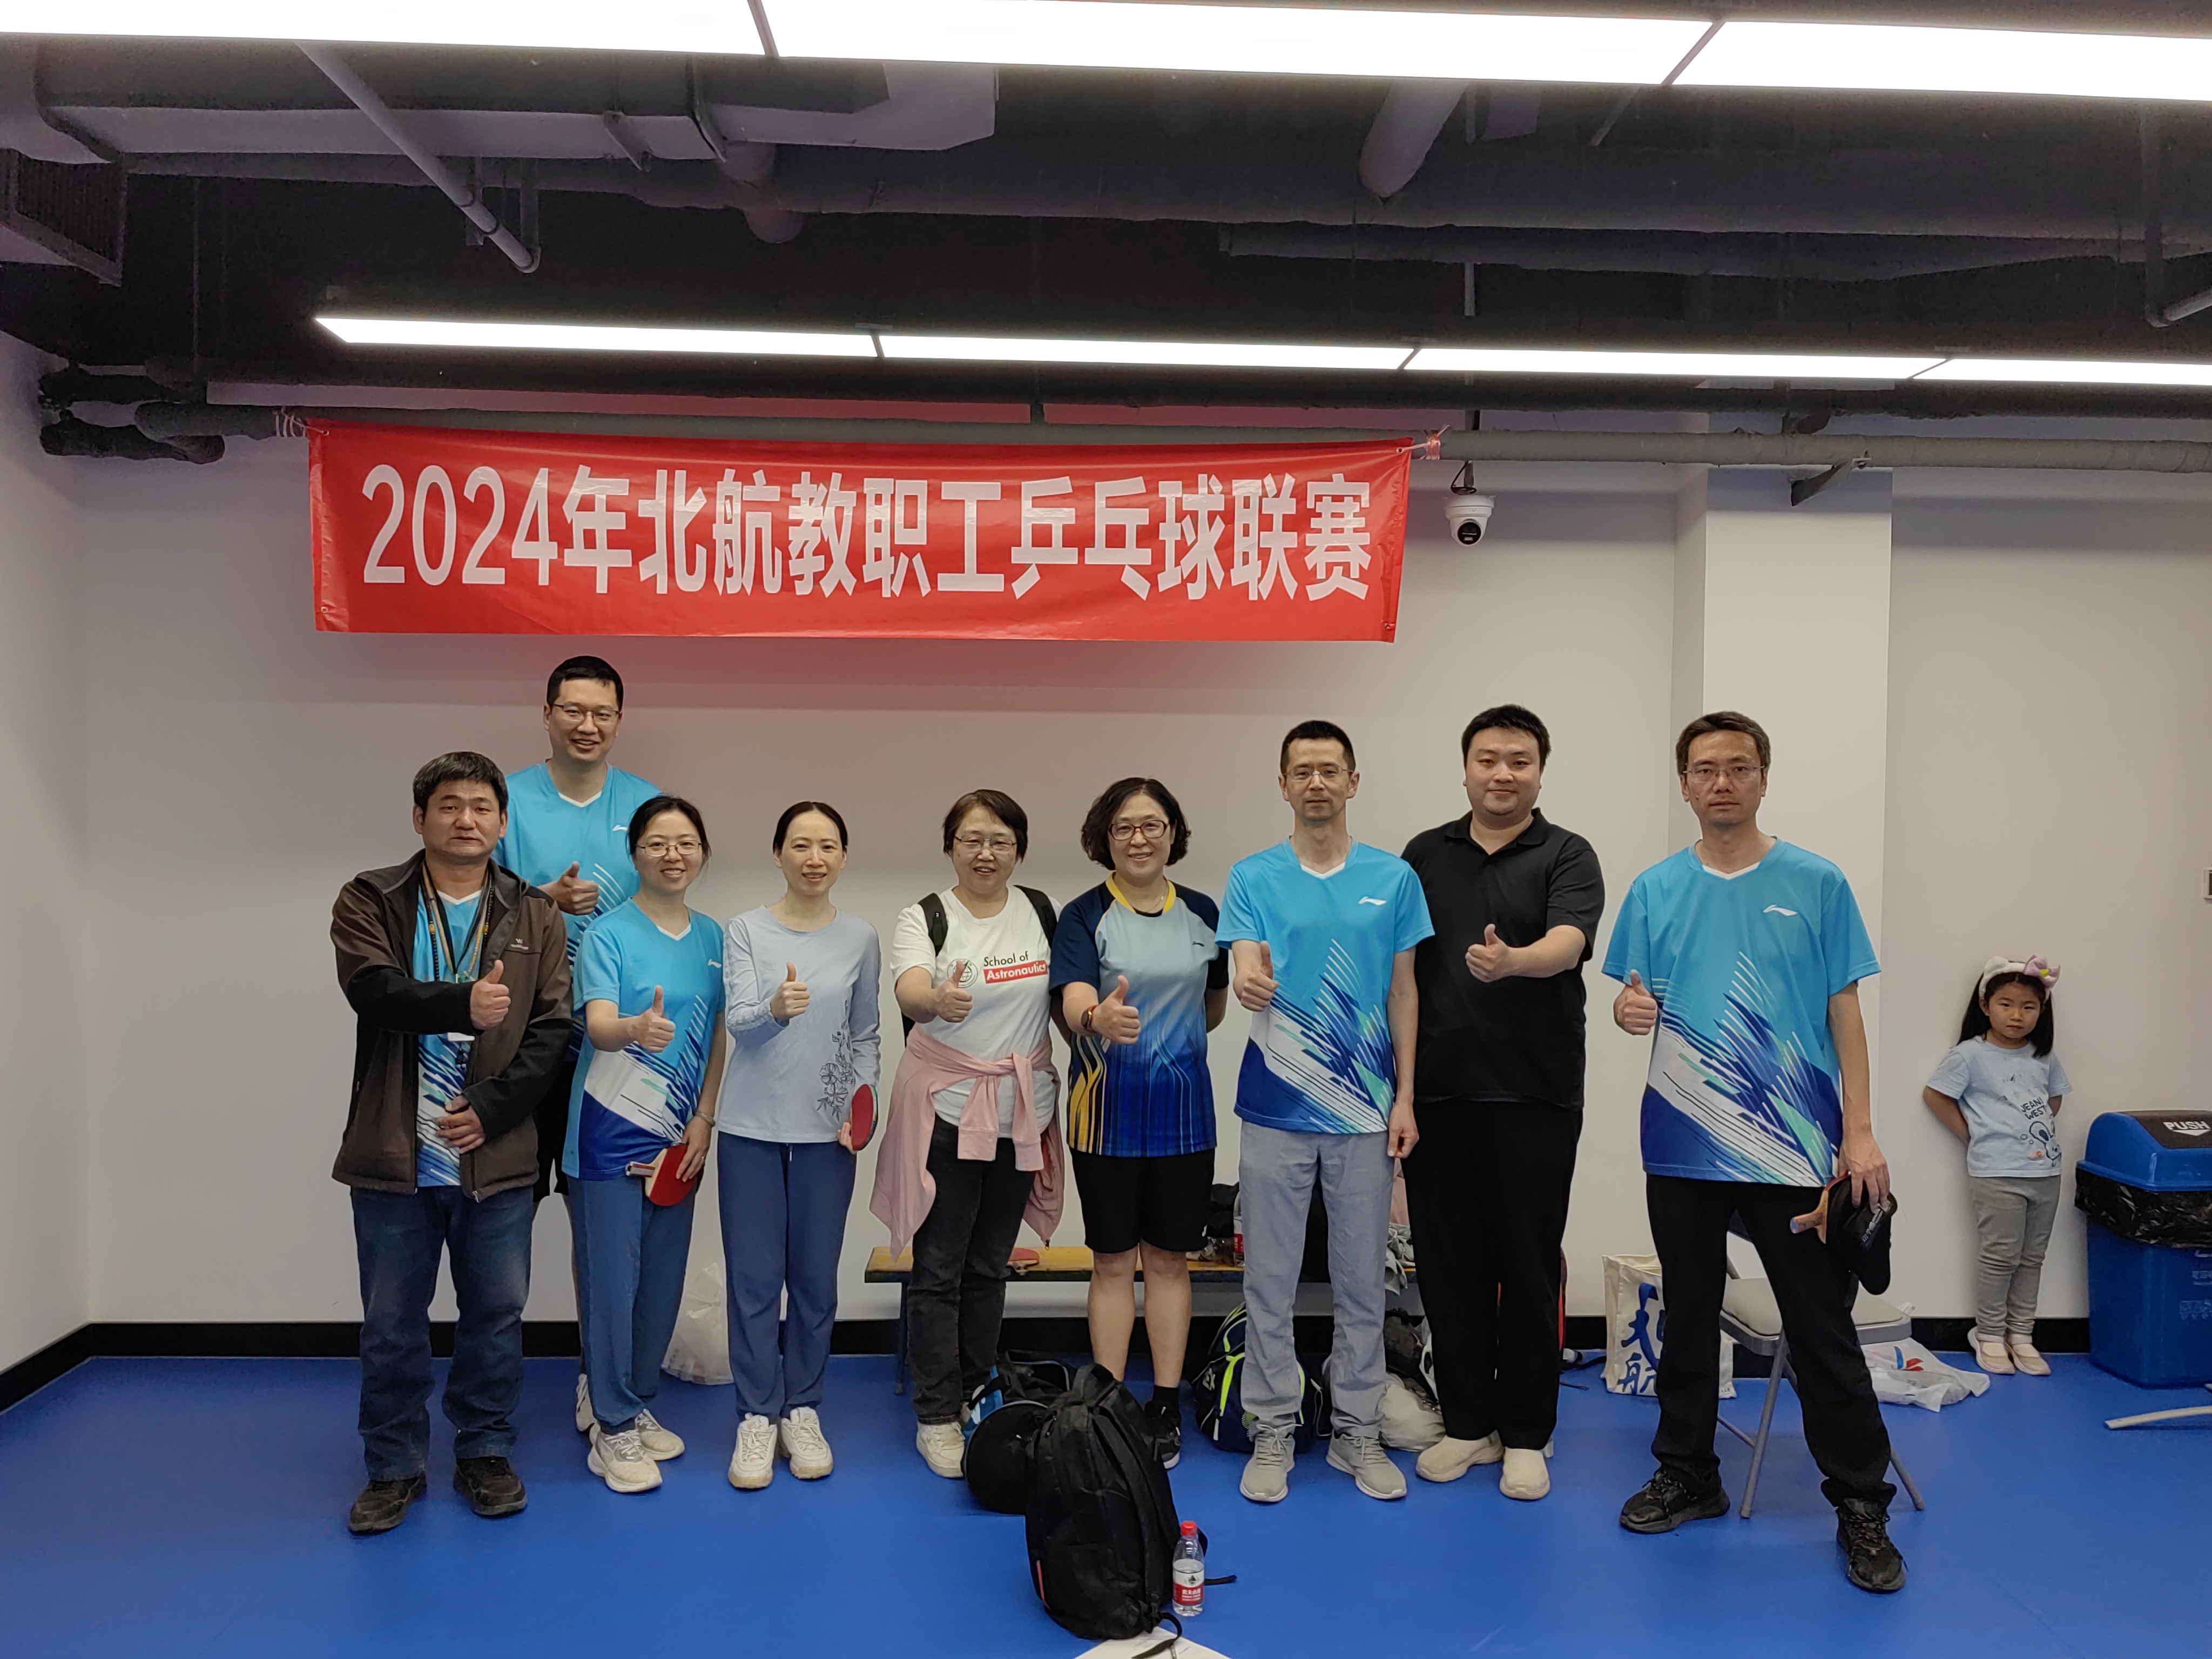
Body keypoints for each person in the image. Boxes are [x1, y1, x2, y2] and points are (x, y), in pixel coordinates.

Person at [1603, 710, 1905, 1595]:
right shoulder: (1655, 888)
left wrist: (1858, 1130)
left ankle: (1861, 1502)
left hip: (1795, 1147)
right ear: (1685, 785)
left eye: (1738, 767)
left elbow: (1844, 1010)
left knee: (1819, 1329)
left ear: (1763, 778)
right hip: (1683, 1142)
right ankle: (1688, 1473)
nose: (1722, 782)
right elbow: (1634, 998)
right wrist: (1627, 1011)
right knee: (1689, 1316)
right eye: (1705, 769)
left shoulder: (1816, 881)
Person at [329, 752, 571, 1535]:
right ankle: (392, 1465)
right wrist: (462, 1003)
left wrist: (493, 1109)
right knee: (391, 1322)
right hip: (394, 1154)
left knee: (496, 1314)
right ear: (420, 818)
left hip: (495, 1154)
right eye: (449, 805)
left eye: (481, 807)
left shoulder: (535, 911)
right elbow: (371, 990)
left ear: (502, 823)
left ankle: (485, 1450)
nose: (466, 819)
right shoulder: (372, 897)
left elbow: (553, 1028)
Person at [1219, 720, 1431, 1505]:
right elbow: (1245, 960)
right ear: (1283, 784)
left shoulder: (1394, 878)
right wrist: (1247, 980)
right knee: (1269, 1280)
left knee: (1362, 1283)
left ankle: (1357, 1432)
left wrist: (1405, 1096)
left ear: (1352, 782)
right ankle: (1273, 1427)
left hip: (1366, 1111)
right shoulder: (1253, 876)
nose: (1316, 782)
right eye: (1302, 770)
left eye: (1329, 770)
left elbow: (1404, 990)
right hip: (1276, 1105)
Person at [1400, 705, 1603, 1502]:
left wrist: (1516, 961)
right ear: (1465, 769)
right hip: (1438, 1093)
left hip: (1535, 1092)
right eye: (1488, 759)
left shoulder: (1566, 853)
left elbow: (1570, 943)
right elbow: (1400, 970)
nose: (1502, 774)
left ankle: (1525, 1434)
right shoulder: (1424, 854)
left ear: (1540, 772)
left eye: (1519, 760)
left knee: (1526, 1265)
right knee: (1448, 1266)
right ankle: (1467, 1425)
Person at [871, 789, 1064, 1479]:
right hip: (947, 1113)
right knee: (939, 1269)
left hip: (1020, 1115)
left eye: (1000, 841)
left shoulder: (1041, 911)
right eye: (972, 839)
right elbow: (910, 990)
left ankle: (977, 1392)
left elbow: (1063, 1000)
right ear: (950, 846)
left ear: (1019, 849)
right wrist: (934, 1000)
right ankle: (935, 1414)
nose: (986, 853)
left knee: (989, 1266)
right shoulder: (925, 916)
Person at [492, 656, 660, 1434]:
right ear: (547, 713)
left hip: (615, 1043)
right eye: (572, 710)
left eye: (602, 713)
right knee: (505, 1218)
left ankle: (604, 1381)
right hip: (525, 1037)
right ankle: (492, 1403)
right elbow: (470, 903)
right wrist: (543, 902)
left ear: (620, 720)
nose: (587, 725)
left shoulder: (644, 804)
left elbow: (665, 907)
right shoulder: (508, 800)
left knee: (608, 1229)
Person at [1050, 778, 1229, 1468]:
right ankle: (1107, 1403)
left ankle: (1163, 1401)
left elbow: (1213, 1005)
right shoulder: (1084, 914)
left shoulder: (1203, 912)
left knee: (1169, 1261)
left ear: (1172, 834)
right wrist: (1097, 1017)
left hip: (1184, 1118)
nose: (1139, 838)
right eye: (1124, 827)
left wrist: (1167, 1042)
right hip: (1105, 1116)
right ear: (1105, 838)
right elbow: (1073, 1000)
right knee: (1112, 1262)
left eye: (1152, 825)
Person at [717, 802, 882, 1490]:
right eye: (801, 844)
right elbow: (739, 1023)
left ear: (842, 856)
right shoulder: (745, 930)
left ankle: (802, 1409)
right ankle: (757, 1416)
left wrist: (863, 1105)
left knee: (814, 1282)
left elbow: (866, 1035)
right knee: (754, 1283)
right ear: (778, 853)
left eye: (828, 845)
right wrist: (774, 1011)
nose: (815, 858)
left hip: (827, 1134)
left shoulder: (861, 937)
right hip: (750, 1129)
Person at [567, 797, 727, 1494]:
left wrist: (705, 1117)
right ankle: (610, 1425)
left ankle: (633, 1403)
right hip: (607, 1132)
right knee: (612, 1285)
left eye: (685, 842)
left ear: (702, 853)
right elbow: (599, 1024)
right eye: (657, 842)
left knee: (660, 1285)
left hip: (677, 1138)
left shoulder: (712, 935)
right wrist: (634, 1029)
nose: (672, 854)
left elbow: (716, 1033)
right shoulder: (607, 934)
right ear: (635, 854)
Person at [1923, 956, 2069, 1378]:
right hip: (1996, 1173)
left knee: (2032, 1257)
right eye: (2006, 1004)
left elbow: (2054, 1098)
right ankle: (1988, 1333)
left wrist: (2033, 1132)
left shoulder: (2043, 1056)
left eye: (2028, 1006)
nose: (2017, 1015)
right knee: (2000, 1256)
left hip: (2046, 1173)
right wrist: (1972, 1134)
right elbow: (1935, 1096)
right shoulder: (1969, 1055)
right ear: (1986, 1005)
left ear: (2041, 1011)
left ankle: (2021, 1334)